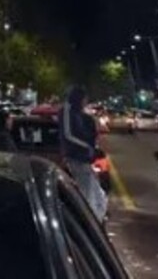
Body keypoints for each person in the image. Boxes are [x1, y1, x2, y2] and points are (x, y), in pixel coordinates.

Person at [59, 86, 106, 223]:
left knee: (98, 196)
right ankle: (88, 223)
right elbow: (68, 135)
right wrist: (87, 146)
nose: (86, 102)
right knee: (88, 195)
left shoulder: (78, 114)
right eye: (84, 99)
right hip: (76, 157)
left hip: (83, 158)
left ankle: (93, 222)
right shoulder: (67, 111)